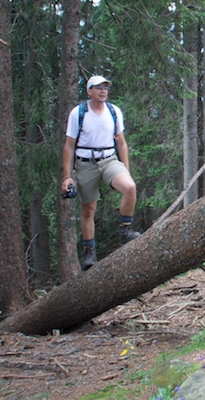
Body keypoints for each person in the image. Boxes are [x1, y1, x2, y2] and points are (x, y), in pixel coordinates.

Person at [61, 75, 140, 270]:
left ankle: (125, 230)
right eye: (98, 88)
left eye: (105, 87)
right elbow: (69, 146)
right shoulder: (78, 113)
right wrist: (67, 176)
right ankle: (89, 252)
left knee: (129, 187)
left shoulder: (114, 112)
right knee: (88, 210)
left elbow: (121, 142)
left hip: (109, 159)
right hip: (85, 163)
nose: (103, 91)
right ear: (89, 91)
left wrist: (125, 169)